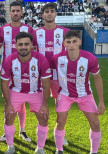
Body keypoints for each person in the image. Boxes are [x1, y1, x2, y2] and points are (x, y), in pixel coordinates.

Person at [50, 30, 105, 154]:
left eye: (74, 41)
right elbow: (46, 73)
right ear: (64, 44)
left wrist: (101, 101)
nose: (72, 45)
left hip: (85, 95)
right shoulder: (57, 58)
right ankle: (59, 150)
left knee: (95, 123)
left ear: (80, 42)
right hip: (65, 94)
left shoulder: (89, 58)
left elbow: (97, 78)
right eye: (68, 42)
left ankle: (94, 152)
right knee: (60, 122)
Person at [1, 32, 51, 154]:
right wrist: (7, 103)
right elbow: (4, 83)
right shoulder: (9, 60)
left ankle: (40, 148)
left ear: (32, 45)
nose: (23, 47)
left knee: (44, 118)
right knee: (8, 117)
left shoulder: (41, 59)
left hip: (36, 92)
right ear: (16, 46)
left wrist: (45, 104)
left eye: (26, 44)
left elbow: (46, 84)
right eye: (20, 44)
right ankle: (10, 147)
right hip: (16, 91)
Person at [0, 1, 35, 143]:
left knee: (21, 102)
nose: (15, 13)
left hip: (25, 71)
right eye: (13, 11)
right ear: (9, 13)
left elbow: (33, 50)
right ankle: (7, 130)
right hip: (7, 72)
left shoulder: (29, 29)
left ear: (22, 13)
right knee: (8, 102)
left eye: (18, 11)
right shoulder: (3, 29)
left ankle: (22, 130)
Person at [33, 2, 70, 145]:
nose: (49, 14)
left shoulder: (65, 32)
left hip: (59, 76)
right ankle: (44, 130)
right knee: (40, 104)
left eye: (52, 11)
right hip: (40, 76)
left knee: (60, 106)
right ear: (42, 15)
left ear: (55, 14)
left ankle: (60, 132)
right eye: (46, 11)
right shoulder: (36, 33)